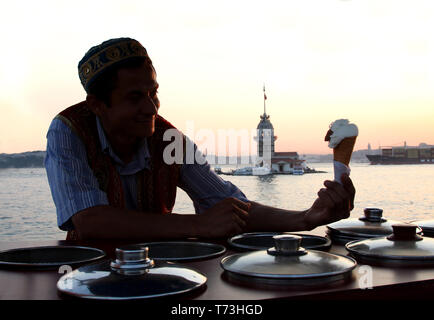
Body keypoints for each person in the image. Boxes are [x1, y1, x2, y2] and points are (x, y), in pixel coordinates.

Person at [45, 37, 355, 241]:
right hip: (89, 275)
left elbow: (228, 205)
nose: (151, 108)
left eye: (154, 93)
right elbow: (90, 221)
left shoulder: (170, 140)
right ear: (97, 105)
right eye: (135, 97)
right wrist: (197, 225)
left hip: (156, 272)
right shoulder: (67, 131)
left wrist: (307, 218)